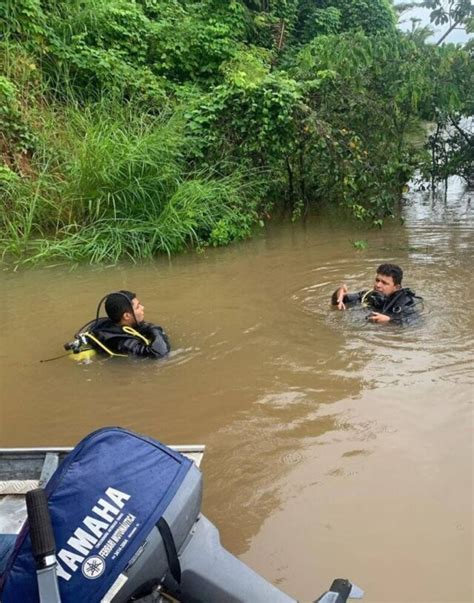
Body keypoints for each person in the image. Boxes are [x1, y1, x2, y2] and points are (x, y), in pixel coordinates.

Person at [85, 290, 170, 358]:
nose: (142, 308)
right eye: (138, 307)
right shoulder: (121, 342)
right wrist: (155, 330)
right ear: (126, 316)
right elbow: (159, 353)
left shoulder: (111, 323)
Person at [331, 263, 422, 325]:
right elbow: (337, 302)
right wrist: (339, 292)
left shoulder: (405, 302)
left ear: (397, 287)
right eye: (377, 280)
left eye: (384, 283)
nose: (378, 285)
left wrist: (390, 321)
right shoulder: (370, 295)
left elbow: (415, 323)